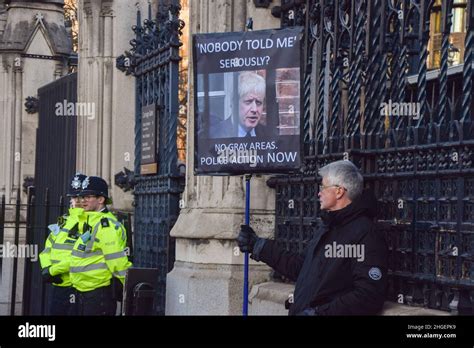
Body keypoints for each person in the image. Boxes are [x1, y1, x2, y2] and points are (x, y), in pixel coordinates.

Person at [237, 160, 388, 315]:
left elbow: (368, 295)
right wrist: (259, 247)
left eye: (323, 186)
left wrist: (319, 313)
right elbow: (302, 268)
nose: (319, 192)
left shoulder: (366, 233)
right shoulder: (327, 226)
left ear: (339, 191)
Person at [70, 176, 132, 315]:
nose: (83, 200)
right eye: (82, 196)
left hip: (98, 294)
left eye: (88, 196)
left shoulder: (106, 224)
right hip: (83, 292)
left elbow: (116, 261)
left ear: (101, 199)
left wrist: (130, 287)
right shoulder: (90, 221)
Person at [39, 172, 88, 315]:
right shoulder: (64, 221)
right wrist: (46, 268)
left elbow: (81, 254)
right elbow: (48, 247)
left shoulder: (90, 223)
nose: (77, 201)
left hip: (77, 286)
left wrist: (54, 270)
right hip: (58, 285)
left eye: (81, 196)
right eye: (74, 197)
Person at [208, 71, 272, 138]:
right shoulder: (213, 135)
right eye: (248, 102)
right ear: (234, 103)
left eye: (258, 103)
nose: (254, 109)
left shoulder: (269, 134)